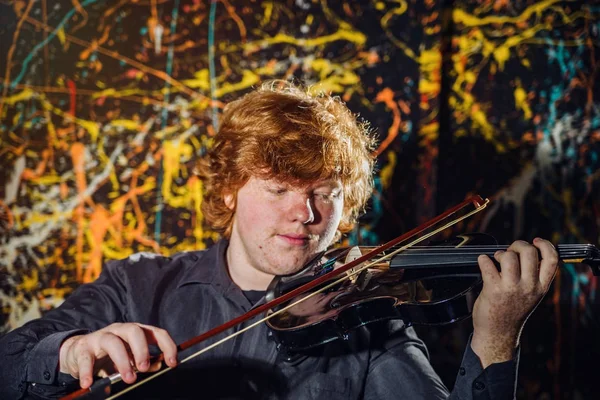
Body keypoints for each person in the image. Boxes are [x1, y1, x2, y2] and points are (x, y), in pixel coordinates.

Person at [0, 80, 559, 399]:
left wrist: (496, 338)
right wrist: (69, 351)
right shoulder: (136, 284)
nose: (306, 213)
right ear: (228, 192)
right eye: (278, 189)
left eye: (325, 192)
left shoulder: (369, 320)